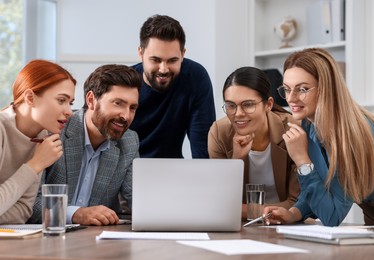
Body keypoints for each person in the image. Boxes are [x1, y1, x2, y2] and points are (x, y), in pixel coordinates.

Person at [264, 48, 374, 226]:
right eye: (286, 89)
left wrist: (302, 160)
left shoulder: (352, 135)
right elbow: (322, 185)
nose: (291, 98)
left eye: (302, 89)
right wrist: (293, 212)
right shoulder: (309, 124)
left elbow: (332, 216)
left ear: (325, 89)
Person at [29, 64, 142, 225]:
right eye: (118, 103)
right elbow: (30, 204)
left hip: (93, 241)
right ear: (91, 100)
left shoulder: (129, 142)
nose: (126, 115)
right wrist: (76, 214)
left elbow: (139, 201)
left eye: (132, 108)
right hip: (43, 240)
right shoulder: (53, 130)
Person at [208, 66, 300, 219]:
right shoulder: (219, 133)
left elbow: (297, 202)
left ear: (268, 104)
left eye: (248, 104)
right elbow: (220, 201)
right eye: (231, 105)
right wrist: (236, 160)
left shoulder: (292, 130)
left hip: (289, 225)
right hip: (242, 226)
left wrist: (244, 210)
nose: (238, 114)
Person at [0, 59, 75, 224]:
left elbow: (24, 211)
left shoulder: (42, 136)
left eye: (71, 103)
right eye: (61, 100)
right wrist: (35, 165)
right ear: (30, 98)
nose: (69, 112)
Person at [130, 14, 216, 158]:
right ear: (141, 53)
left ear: (183, 54)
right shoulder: (125, 83)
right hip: (129, 173)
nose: (163, 69)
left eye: (172, 60)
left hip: (174, 172)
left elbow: (203, 150)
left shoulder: (195, 77)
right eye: (155, 60)